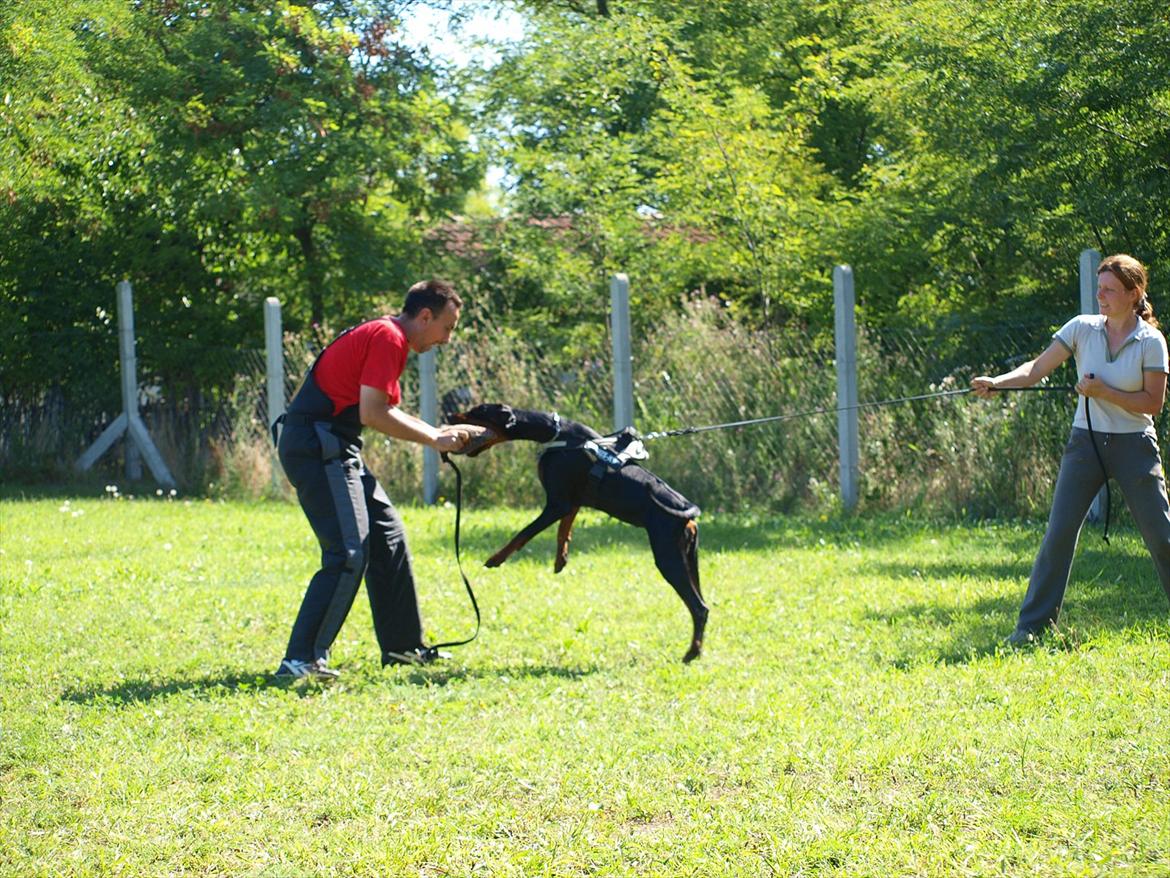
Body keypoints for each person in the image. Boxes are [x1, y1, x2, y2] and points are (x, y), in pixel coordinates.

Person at [273, 279, 483, 679]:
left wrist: (434, 434)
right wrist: (434, 437)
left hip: (333, 443)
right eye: (447, 328)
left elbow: (377, 409)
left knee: (387, 536)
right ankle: (300, 660)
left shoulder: (387, 335)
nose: (447, 339)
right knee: (348, 552)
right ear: (425, 316)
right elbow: (373, 413)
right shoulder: (387, 338)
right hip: (320, 445)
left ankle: (403, 649)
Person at [971, 254, 1170, 645]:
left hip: (1135, 445)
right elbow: (1035, 369)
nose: (1101, 296)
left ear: (1134, 294)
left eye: (1110, 289)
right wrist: (998, 381)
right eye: (1099, 288)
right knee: (1059, 533)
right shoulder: (1081, 328)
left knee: (1162, 536)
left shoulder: (1152, 341)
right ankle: (1031, 629)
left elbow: (1153, 403)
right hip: (1085, 442)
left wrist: (1103, 392)